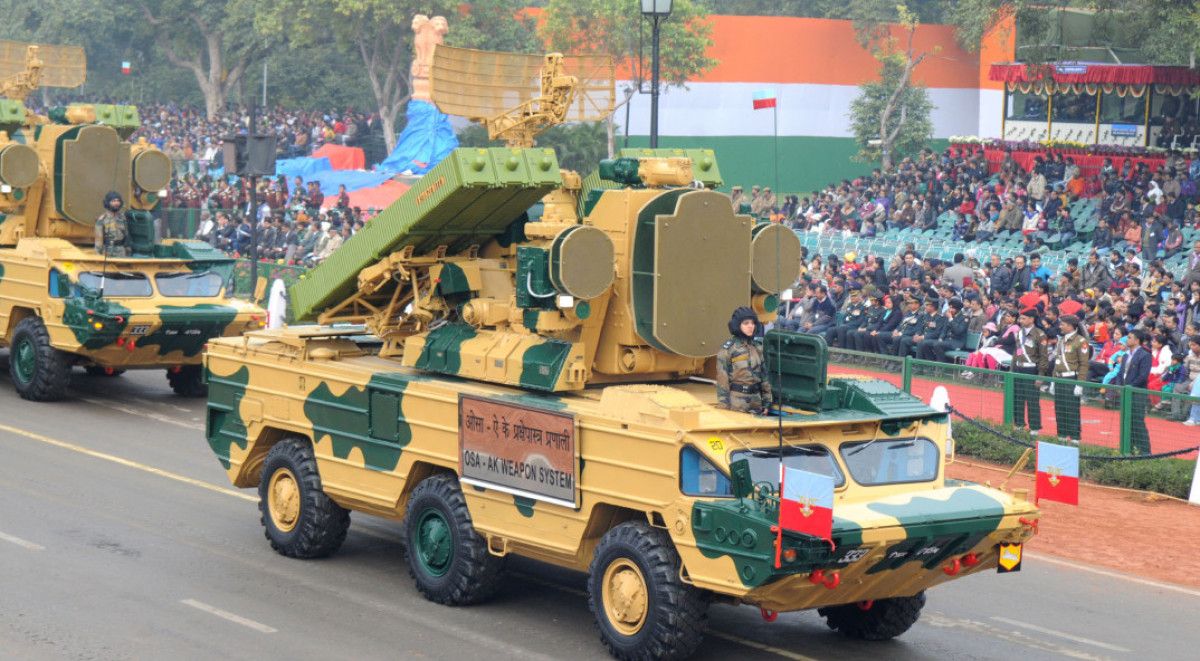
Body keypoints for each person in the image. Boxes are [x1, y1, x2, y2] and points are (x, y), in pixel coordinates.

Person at [716, 307, 772, 414]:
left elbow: (764, 376)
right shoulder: (728, 350)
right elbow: (722, 380)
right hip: (737, 403)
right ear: (737, 325)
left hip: (756, 402)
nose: (750, 326)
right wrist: (724, 406)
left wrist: (767, 401)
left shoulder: (757, 348)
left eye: (752, 323)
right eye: (746, 323)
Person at [1113, 330, 1152, 453]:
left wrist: (1129, 387)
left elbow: (1143, 376)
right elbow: (1120, 373)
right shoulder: (1125, 355)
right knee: (1126, 421)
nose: (1127, 340)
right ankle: (1129, 448)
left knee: (1137, 421)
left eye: (1129, 337)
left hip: (1137, 392)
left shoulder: (1145, 355)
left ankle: (1145, 451)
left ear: (1137, 340)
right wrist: (1119, 386)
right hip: (1125, 391)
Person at [1009, 308, 1047, 435]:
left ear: (1032, 319)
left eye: (1023, 318)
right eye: (1020, 318)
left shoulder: (1039, 334)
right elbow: (1016, 353)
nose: (1020, 320)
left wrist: (1040, 375)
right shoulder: (1019, 332)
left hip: (1031, 369)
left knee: (1032, 400)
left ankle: (1034, 428)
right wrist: (1012, 370)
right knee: (1017, 398)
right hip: (1018, 368)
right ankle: (1019, 424)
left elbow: (1043, 357)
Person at [1052, 315, 1089, 442]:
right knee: (1059, 409)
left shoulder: (1080, 341)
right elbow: (1057, 362)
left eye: (1062, 324)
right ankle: (1061, 435)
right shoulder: (1061, 340)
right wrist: (1053, 380)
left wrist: (1080, 383)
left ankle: (1075, 438)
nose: (1060, 326)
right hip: (1059, 378)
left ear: (1070, 326)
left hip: (1071, 378)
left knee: (1072, 409)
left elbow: (1084, 364)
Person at [95, 191, 129, 256]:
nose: (116, 203)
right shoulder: (102, 220)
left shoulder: (123, 218)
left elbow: (126, 236)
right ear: (108, 203)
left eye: (118, 201)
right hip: (108, 251)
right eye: (113, 201)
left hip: (121, 251)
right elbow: (98, 240)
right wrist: (99, 254)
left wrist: (127, 250)